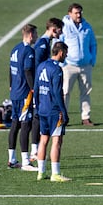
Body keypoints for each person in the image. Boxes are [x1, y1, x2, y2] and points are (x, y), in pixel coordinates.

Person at [34, 41, 71, 182]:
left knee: (43, 140)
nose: (66, 56)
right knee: (57, 141)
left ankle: (41, 172)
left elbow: (36, 89)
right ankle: (55, 173)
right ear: (60, 52)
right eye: (65, 53)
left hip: (42, 109)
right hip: (54, 111)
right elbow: (57, 92)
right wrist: (64, 111)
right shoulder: (57, 69)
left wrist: (37, 107)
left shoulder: (41, 66)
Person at [30, 18, 64, 161]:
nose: (61, 32)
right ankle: (33, 151)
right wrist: (34, 88)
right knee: (36, 119)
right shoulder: (43, 44)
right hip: (40, 88)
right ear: (54, 29)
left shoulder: (47, 43)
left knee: (39, 119)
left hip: (40, 86)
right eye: (60, 29)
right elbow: (37, 67)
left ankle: (36, 151)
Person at [59, 2, 97, 126]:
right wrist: (62, 63)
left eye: (80, 12)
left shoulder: (87, 26)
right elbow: (58, 44)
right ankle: (63, 117)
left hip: (85, 65)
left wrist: (92, 60)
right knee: (65, 92)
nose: (79, 15)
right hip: (69, 65)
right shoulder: (64, 27)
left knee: (86, 92)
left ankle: (85, 117)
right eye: (76, 13)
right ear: (70, 14)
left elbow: (93, 44)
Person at [7, 24, 38, 171]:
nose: (37, 37)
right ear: (31, 35)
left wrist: (11, 85)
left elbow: (10, 69)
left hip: (15, 92)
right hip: (25, 93)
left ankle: (12, 159)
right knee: (26, 124)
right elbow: (27, 69)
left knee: (15, 124)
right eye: (36, 34)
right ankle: (26, 161)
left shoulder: (15, 48)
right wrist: (33, 88)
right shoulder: (28, 51)